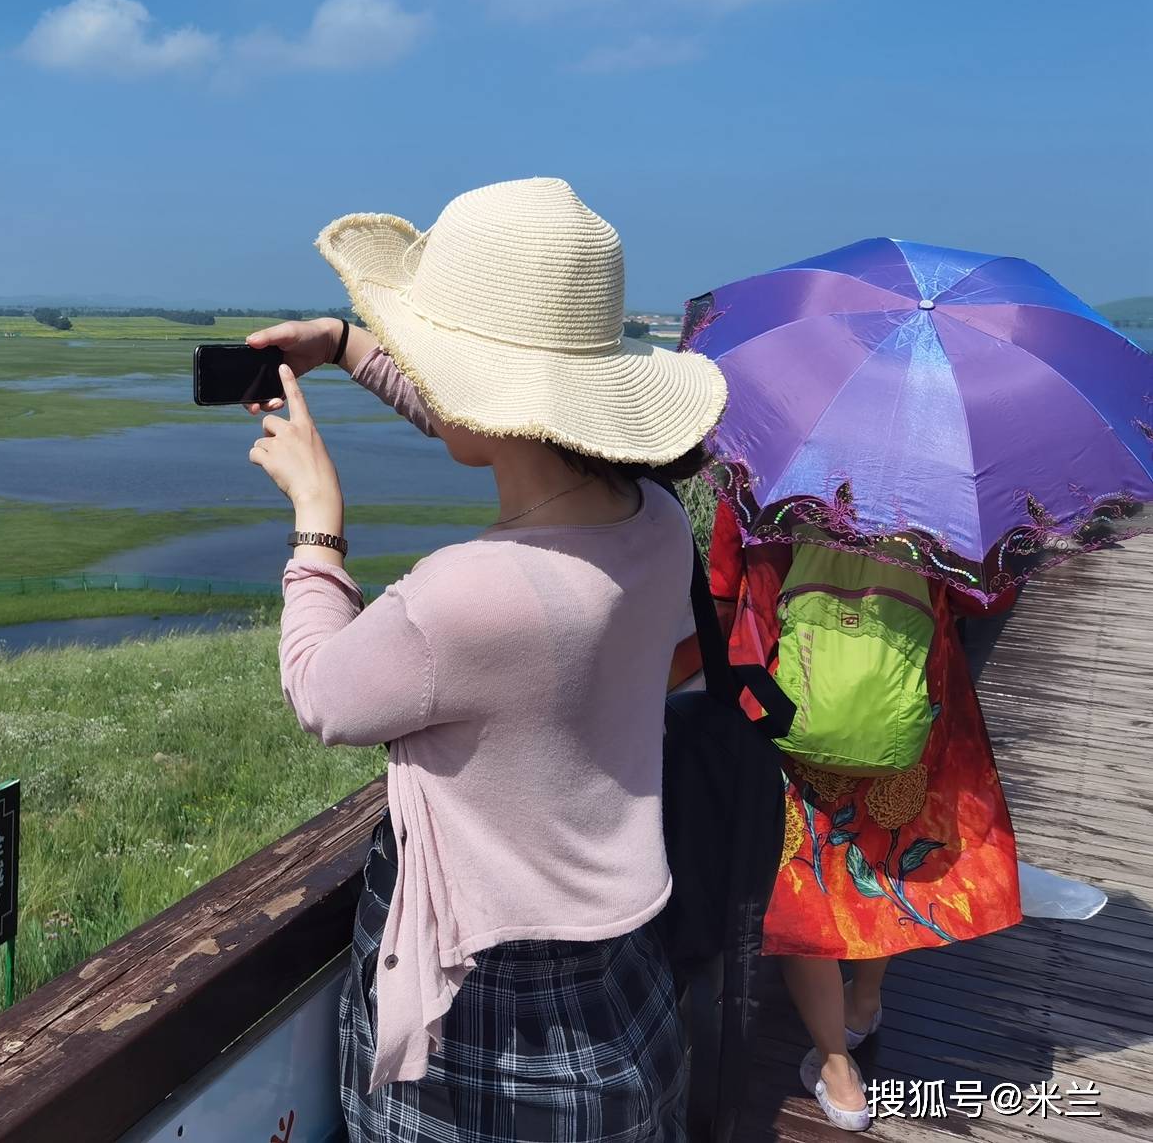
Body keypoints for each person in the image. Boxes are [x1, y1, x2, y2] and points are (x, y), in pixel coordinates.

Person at [243, 178, 729, 1143]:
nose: (426, 373)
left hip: (480, 1011)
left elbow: (325, 695)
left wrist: (317, 526)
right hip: (627, 982)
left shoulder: (465, 594)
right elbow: (499, 433)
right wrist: (343, 345)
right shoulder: (657, 526)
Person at [706, 504, 1022, 1131]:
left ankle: (836, 1067)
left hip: (793, 696)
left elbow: (727, 585)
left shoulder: (771, 469)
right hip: (906, 706)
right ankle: (865, 1001)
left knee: (807, 878)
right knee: (883, 850)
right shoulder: (934, 481)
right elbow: (985, 597)